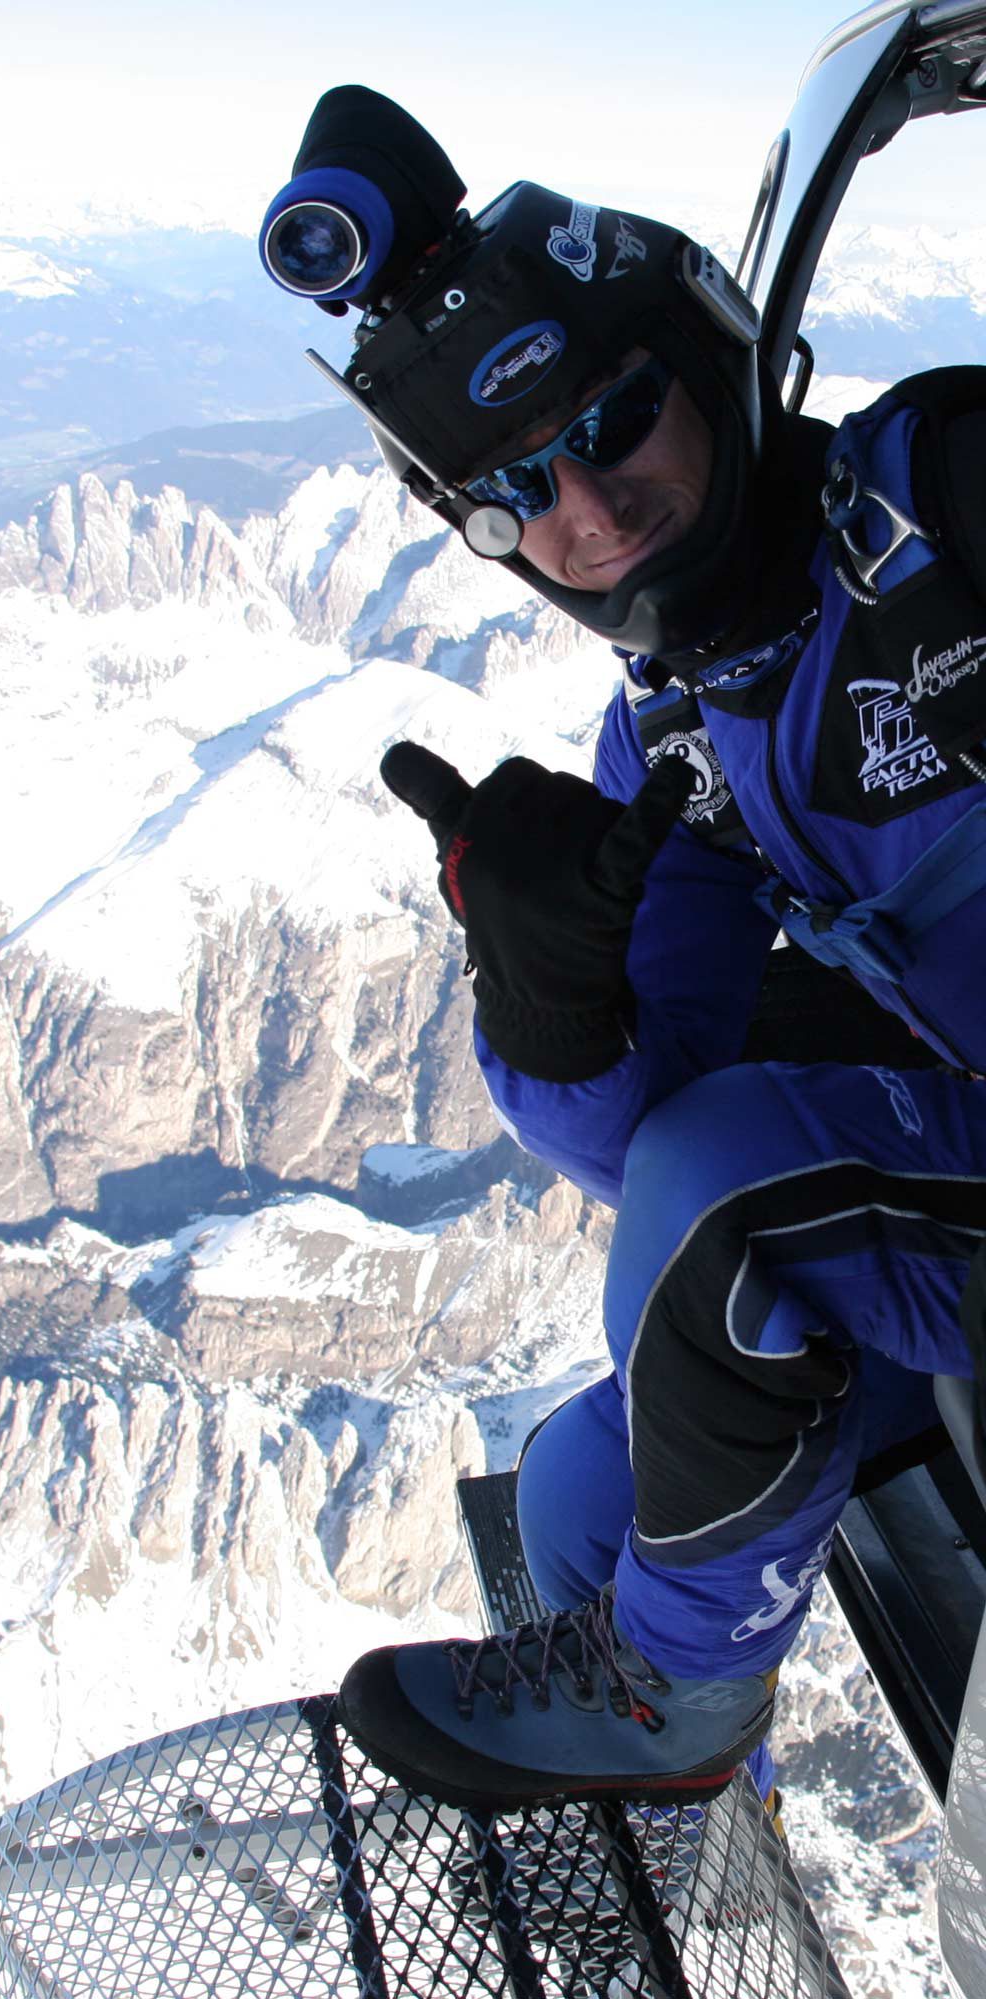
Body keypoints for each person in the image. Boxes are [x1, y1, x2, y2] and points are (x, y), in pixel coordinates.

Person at [260, 90, 986, 1809]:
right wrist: (553, 1001)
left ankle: (671, 1702)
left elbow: (709, 1178)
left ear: (707, 351)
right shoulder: (672, 742)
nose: (587, 508)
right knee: (578, 1497)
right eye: (514, 494)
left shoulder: (947, 498)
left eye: (616, 417)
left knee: (740, 1188)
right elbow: (636, 1145)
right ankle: (649, 1849)